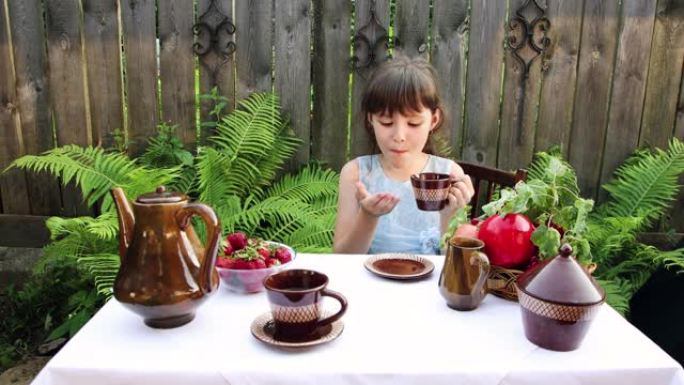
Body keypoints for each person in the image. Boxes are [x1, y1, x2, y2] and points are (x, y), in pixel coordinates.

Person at [333, 56, 475, 255]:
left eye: (414, 123)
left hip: (428, 286)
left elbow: (455, 265)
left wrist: (448, 215)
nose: (399, 136)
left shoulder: (448, 174)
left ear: (433, 120)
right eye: (386, 123)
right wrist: (368, 215)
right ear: (370, 119)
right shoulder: (356, 174)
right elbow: (341, 258)